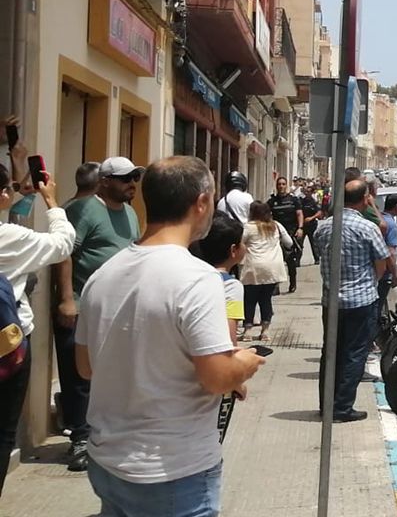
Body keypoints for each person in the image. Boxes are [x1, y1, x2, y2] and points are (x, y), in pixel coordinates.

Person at [77, 156, 265, 516]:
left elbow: (86, 367)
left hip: (107, 462)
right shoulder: (198, 278)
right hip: (173, 472)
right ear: (202, 202)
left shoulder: (103, 274)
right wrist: (243, 363)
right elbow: (216, 378)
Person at [53, 155, 142, 472]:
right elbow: (64, 252)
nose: (132, 184)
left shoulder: (130, 213)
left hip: (118, 310)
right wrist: (66, 299)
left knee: (111, 375)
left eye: (135, 178)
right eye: (125, 178)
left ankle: (105, 437)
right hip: (81, 307)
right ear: (104, 181)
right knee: (78, 377)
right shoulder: (84, 209)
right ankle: (79, 438)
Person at [0, 147, 75, 496]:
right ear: (2, 194)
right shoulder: (9, 239)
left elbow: (13, 214)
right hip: (8, 349)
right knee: (2, 432)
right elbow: (62, 243)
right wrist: (53, 202)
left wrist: (17, 176)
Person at [313, 179, 391, 422]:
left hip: (332, 301)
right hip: (361, 300)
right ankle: (342, 407)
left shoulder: (324, 227)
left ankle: (327, 405)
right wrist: (371, 282)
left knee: (331, 352)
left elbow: (319, 252)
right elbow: (382, 261)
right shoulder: (367, 228)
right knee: (354, 354)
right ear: (365, 198)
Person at [190, 213, 248, 343]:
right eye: (242, 242)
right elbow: (229, 337)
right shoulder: (231, 286)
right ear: (233, 250)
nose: (245, 246)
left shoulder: (193, 276)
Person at [240, 202, 291, 342]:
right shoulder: (276, 226)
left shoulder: (249, 228)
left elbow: (240, 243)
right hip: (272, 268)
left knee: (249, 300)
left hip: (253, 267)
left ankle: (248, 331)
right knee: (266, 299)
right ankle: (265, 331)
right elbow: (289, 243)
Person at [267, 176, 305, 292]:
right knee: (275, 261)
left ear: (286, 185)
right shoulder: (272, 201)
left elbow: (299, 214)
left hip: (290, 233)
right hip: (276, 234)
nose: (281, 186)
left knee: (290, 260)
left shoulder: (293, 200)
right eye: (279, 184)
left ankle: (292, 282)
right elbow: (266, 216)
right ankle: (275, 286)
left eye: (283, 184)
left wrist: (300, 228)